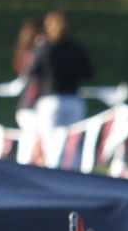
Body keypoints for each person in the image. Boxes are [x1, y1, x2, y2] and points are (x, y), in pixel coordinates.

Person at [29, 9, 94, 169]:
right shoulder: (76, 48)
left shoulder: (44, 48)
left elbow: (32, 72)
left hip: (50, 100)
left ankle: (54, 178)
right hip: (73, 100)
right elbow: (88, 73)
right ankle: (77, 176)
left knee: (50, 144)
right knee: (73, 143)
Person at [11, 16, 47, 154]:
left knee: (28, 148)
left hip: (26, 107)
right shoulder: (36, 54)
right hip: (34, 107)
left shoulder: (24, 53)